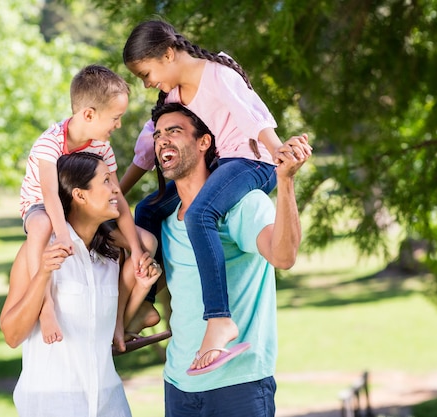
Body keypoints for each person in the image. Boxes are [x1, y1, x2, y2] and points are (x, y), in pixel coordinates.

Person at [120, 19, 308, 369]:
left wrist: (280, 154)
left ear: (168, 54)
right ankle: (145, 303)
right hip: (222, 168)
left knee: (200, 214)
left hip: (253, 163)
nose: (147, 84)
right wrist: (117, 193)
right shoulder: (174, 96)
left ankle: (220, 319)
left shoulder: (217, 75)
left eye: (146, 73)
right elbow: (146, 151)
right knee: (147, 210)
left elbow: (254, 118)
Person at [150, 103, 310, 414]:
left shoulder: (243, 205)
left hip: (238, 385)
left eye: (174, 132)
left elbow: (284, 256)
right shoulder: (165, 219)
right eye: (157, 135)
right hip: (179, 383)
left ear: (204, 142)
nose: (162, 141)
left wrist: (286, 182)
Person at [0, 152, 162, 417]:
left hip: (110, 403)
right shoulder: (39, 251)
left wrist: (142, 287)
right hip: (52, 405)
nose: (116, 190)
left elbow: (108, 333)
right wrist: (42, 275)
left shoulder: (112, 256)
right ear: (80, 195)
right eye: (106, 181)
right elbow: (12, 335)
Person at [18, 64, 155, 350]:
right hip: (42, 206)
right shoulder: (49, 143)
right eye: (115, 118)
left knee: (147, 241)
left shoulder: (100, 147)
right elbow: (50, 195)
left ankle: (119, 321)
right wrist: (63, 235)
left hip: (81, 211)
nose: (118, 125)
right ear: (89, 114)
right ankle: (45, 309)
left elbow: (117, 197)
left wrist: (136, 248)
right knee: (42, 225)